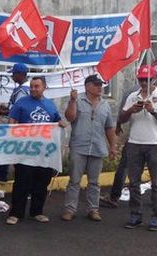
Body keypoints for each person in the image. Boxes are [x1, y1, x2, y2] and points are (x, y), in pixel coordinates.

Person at [6, 76, 66, 225]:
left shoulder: (50, 105)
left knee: (41, 183)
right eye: (31, 86)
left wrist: (61, 124)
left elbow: (56, 120)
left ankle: (37, 212)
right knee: (22, 183)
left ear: (44, 87)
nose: (33, 89)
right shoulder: (21, 104)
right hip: (25, 152)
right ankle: (15, 213)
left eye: (36, 86)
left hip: (44, 153)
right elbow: (12, 122)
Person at [61, 74, 116, 222]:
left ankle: (93, 209)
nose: (100, 87)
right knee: (74, 180)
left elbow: (109, 127)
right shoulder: (77, 100)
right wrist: (72, 101)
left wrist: (113, 146)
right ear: (87, 86)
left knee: (94, 182)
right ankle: (70, 209)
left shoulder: (105, 105)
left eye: (101, 85)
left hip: (98, 147)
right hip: (79, 147)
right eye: (96, 84)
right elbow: (70, 117)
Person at [118, 65, 157, 230]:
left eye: (146, 80)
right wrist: (131, 111)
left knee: (156, 183)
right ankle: (135, 215)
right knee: (134, 182)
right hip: (135, 142)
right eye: (141, 79)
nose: (143, 83)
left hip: (154, 143)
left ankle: (155, 217)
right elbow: (122, 118)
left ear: (153, 79)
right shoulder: (133, 96)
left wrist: (153, 110)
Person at [0, 63, 30, 182]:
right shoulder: (25, 88)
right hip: (21, 127)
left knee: (9, 149)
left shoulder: (22, 90)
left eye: (14, 74)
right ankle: (3, 173)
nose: (12, 76)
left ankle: (2, 174)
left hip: (17, 126)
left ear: (20, 75)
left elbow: (17, 110)